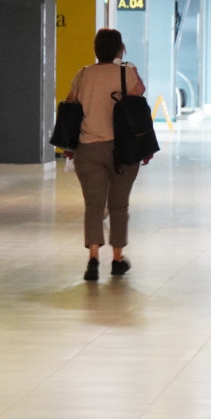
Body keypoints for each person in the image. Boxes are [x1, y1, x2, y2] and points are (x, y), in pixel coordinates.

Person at [63, 29, 148, 281]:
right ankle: (117, 259)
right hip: (122, 150)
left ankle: (92, 258)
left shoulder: (83, 74)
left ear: (96, 49)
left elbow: (70, 103)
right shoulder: (126, 72)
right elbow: (139, 95)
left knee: (94, 205)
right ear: (120, 48)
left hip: (88, 148)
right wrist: (129, 68)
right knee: (119, 205)